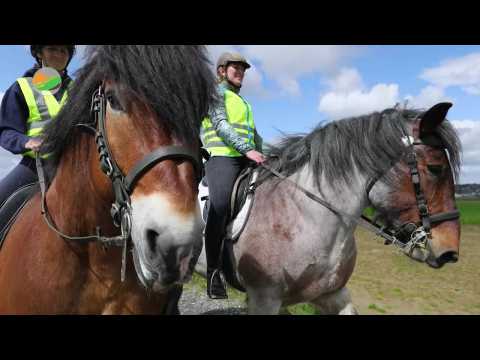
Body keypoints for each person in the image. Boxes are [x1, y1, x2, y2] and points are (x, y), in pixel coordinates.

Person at [201, 52, 266, 299]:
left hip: (246, 158)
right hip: (221, 158)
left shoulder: (244, 103)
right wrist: (247, 150)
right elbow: (220, 124)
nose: (240, 72)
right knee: (220, 203)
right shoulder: (215, 94)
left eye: (243, 69)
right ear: (221, 71)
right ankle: (213, 272)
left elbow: (255, 136)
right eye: (235, 68)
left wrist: (264, 154)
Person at [0, 45, 75, 208]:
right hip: (35, 166)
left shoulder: (79, 89)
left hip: (74, 165)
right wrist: (27, 142)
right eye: (52, 49)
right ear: (39, 53)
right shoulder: (21, 87)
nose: (59, 54)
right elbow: (6, 131)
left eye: (63, 51)